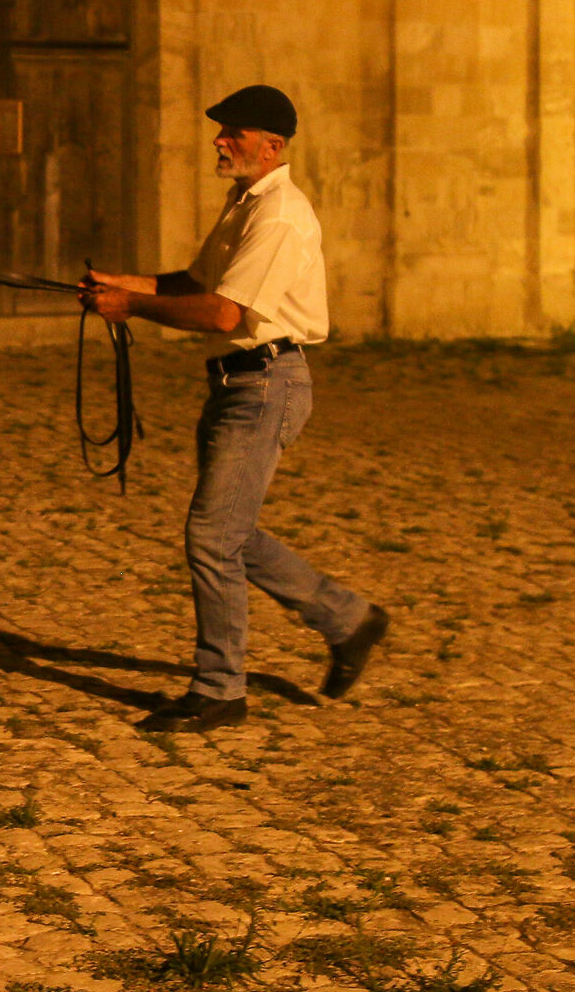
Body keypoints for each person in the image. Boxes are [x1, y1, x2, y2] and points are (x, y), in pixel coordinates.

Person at [79, 84, 388, 733]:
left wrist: (130, 307)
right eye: (221, 130)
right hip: (236, 384)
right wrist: (120, 284)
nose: (219, 141)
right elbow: (196, 283)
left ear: (271, 146)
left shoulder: (279, 216)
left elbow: (225, 313)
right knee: (231, 532)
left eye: (233, 133)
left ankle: (220, 690)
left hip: (265, 385)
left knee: (212, 536)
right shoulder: (246, 203)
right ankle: (348, 620)